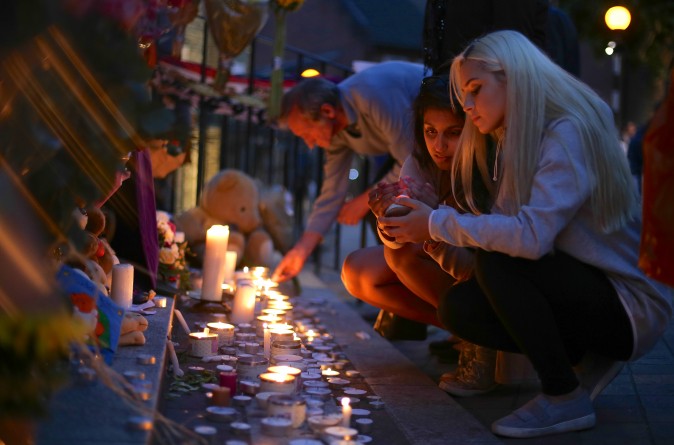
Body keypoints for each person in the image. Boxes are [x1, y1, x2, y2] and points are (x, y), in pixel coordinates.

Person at [379, 30, 672, 438]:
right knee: (460, 308)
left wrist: (434, 221)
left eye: (475, 90)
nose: (466, 105)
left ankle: (562, 395)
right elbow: (482, 259)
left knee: (501, 254)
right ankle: (581, 356)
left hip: (628, 306)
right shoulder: (510, 139)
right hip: (578, 287)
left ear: (514, 78)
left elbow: (529, 239)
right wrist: (425, 234)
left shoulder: (567, 131)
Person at [342, 75, 498, 396]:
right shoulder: (420, 161)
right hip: (443, 264)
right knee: (357, 270)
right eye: (430, 132)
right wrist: (388, 219)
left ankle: (482, 338)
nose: (439, 146)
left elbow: (477, 269)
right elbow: (400, 239)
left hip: (482, 279)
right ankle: (463, 331)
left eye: (453, 133)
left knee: (402, 256)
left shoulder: (487, 170)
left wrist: (434, 226)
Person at [271, 61, 425, 283]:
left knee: (388, 210)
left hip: (435, 145)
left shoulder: (374, 96)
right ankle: (403, 282)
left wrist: (363, 202)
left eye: (308, 134)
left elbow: (413, 161)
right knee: (383, 211)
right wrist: (301, 250)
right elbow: (331, 192)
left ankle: (412, 281)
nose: (310, 144)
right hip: (409, 152)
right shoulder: (335, 133)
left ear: (327, 111)